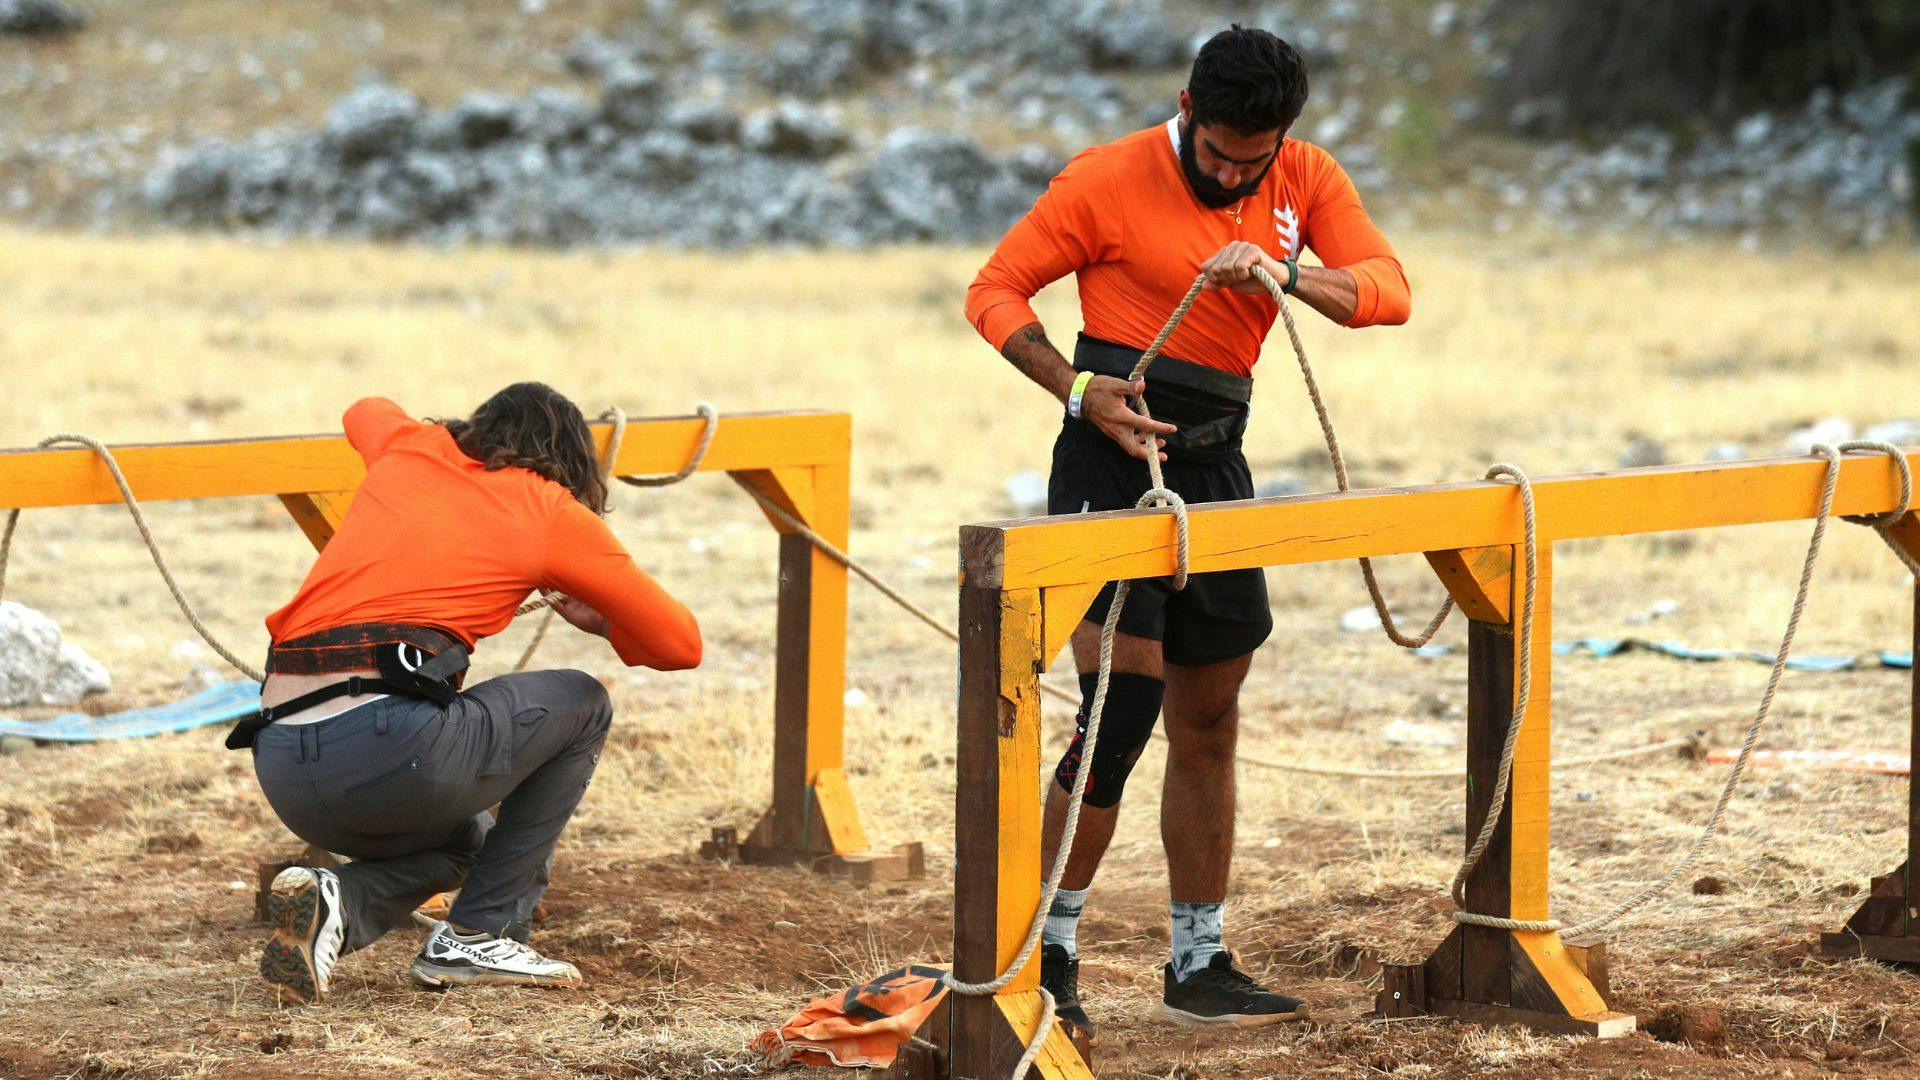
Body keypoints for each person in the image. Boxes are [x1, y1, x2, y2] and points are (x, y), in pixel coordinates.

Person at [964, 25, 1411, 1033]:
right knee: (1117, 719)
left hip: (1218, 464)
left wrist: (1287, 273)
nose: (1229, 173)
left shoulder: (1303, 179)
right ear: (1185, 106)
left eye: (1250, 161)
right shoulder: (1105, 178)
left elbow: (1387, 293)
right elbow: (991, 292)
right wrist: (1079, 391)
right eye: (1215, 152)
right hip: (1109, 460)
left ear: (1283, 138)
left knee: (1209, 720)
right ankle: (1046, 952)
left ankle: (1198, 959)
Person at [237, 383, 702, 1005]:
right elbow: (681, 646)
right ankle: (479, 934)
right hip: (387, 755)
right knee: (584, 702)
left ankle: (337, 900)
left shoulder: (407, 448)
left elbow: (363, 410)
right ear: (567, 462)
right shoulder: (549, 507)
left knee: (472, 844)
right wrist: (601, 626)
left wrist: (435, 435)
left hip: (283, 769)